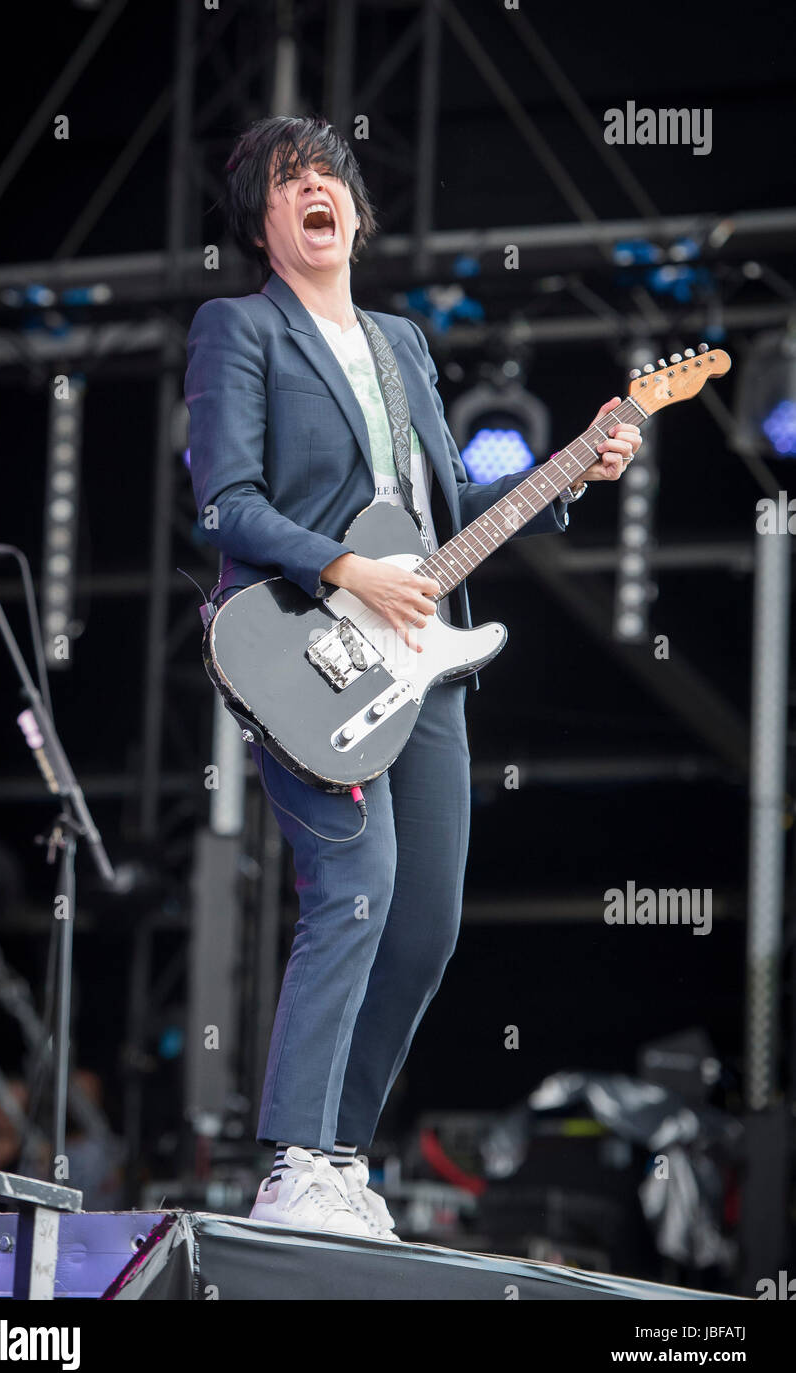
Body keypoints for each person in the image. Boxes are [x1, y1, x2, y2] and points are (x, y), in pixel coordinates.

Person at [185, 115, 641, 1240]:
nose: (315, 190)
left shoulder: (402, 345)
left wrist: (581, 464)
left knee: (426, 919)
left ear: (356, 207)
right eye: (290, 181)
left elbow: (446, 514)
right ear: (263, 220)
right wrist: (349, 570)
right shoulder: (236, 328)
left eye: (329, 173)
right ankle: (293, 1159)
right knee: (354, 883)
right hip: (305, 647)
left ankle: (340, 1155)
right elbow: (225, 501)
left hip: (422, 664)